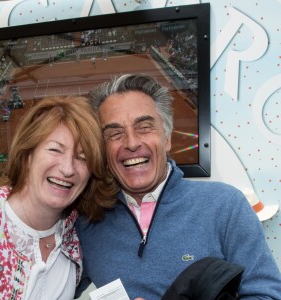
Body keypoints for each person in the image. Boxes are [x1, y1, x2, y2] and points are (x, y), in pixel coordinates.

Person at [75, 74, 281, 299]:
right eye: (114, 133)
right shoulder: (87, 221)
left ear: (167, 139)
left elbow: (266, 294)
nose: (131, 143)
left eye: (144, 127)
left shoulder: (225, 205)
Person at [0, 95, 117, 300]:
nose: (68, 169)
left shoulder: (75, 230)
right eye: (55, 150)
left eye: (82, 158)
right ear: (27, 155)